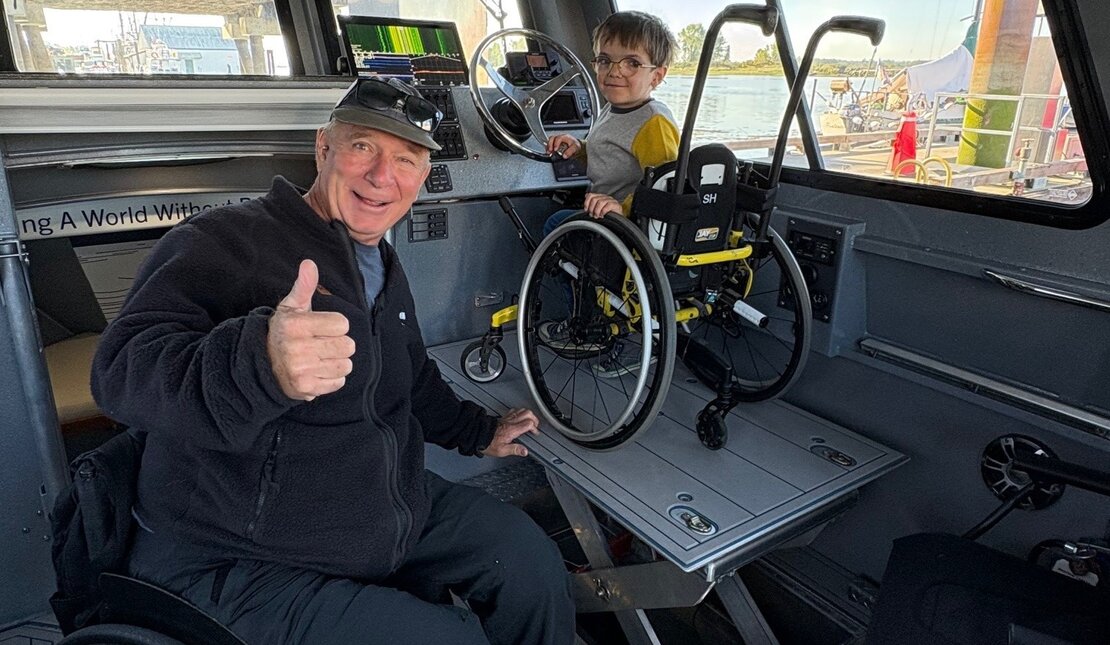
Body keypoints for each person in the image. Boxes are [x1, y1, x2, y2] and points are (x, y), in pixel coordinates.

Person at [90, 76, 574, 645]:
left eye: (407, 159)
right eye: (363, 147)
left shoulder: (381, 263)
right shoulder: (226, 240)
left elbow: (409, 376)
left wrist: (478, 432)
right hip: (236, 554)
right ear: (324, 148)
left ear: (423, 176)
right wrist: (257, 363)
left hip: (373, 505)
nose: (382, 176)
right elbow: (119, 372)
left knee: (531, 565)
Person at [537, 11, 680, 367]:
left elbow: (669, 185)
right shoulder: (614, 108)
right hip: (609, 211)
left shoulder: (653, 122)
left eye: (632, 62)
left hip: (632, 224)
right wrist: (579, 148)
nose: (614, 71)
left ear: (657, 76)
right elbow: (609, 156)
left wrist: (622, 207)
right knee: (562, 219)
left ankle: (589, 324)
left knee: (556, 227)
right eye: (604, 60)